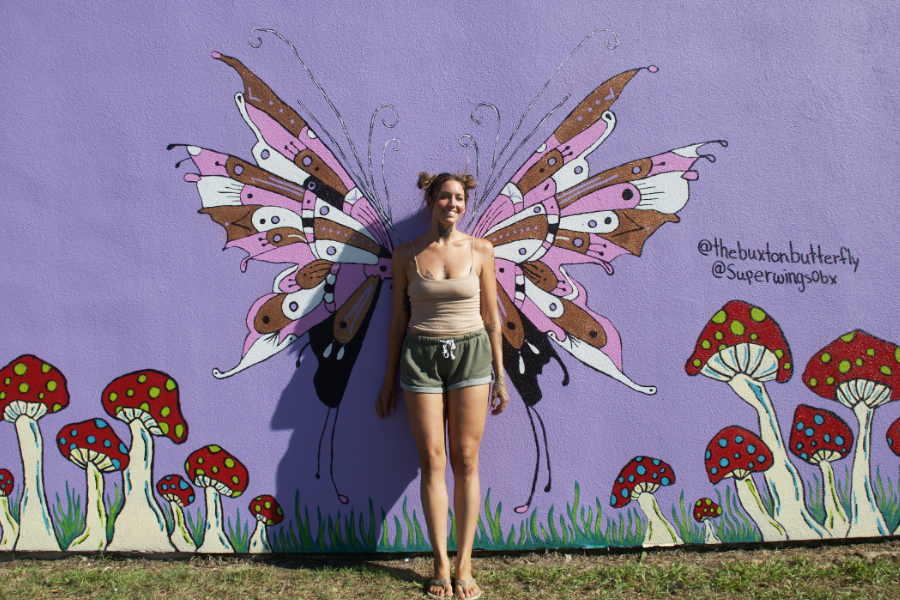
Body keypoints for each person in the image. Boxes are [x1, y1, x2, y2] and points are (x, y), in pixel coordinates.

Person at [376, 172, 508, 599]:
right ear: (430, 199)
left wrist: (501, 377)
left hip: (472, 355)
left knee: (465, 458)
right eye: (445, 196)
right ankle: (439, 562)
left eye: (460, 198)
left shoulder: (482, 250)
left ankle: (465, 561)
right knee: (431, 459)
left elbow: (492, 318)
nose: (453, 203)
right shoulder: (405, 253)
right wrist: (387, 378)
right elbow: (397, 319)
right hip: (420, 358)